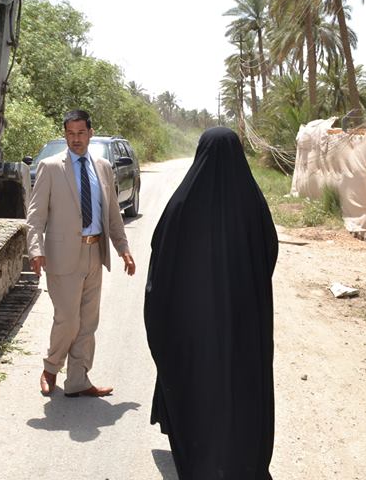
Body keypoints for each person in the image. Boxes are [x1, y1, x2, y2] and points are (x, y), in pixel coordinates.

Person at [144, 127, 278, 479]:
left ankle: (202, 459)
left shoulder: (181, 203)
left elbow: (160, 261)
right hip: (243, 325)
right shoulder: (252, 202)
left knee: (198, 387)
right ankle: (242, 461)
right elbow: (269, 255)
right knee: (240, 389)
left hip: (194, 329)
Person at [26, 109, 136, 397]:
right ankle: (50, 368)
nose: (76, 139)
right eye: (70, 133)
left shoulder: (102, 167)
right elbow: (35, 216)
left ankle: (78, 380)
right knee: (68, 319)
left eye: (81, 133)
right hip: (62, 256)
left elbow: (112, 214)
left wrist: (123, 248)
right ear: (65, 135)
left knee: (88, 322)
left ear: (90, 132)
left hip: (94, 255)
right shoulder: (51, 168)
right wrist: (36, 250)